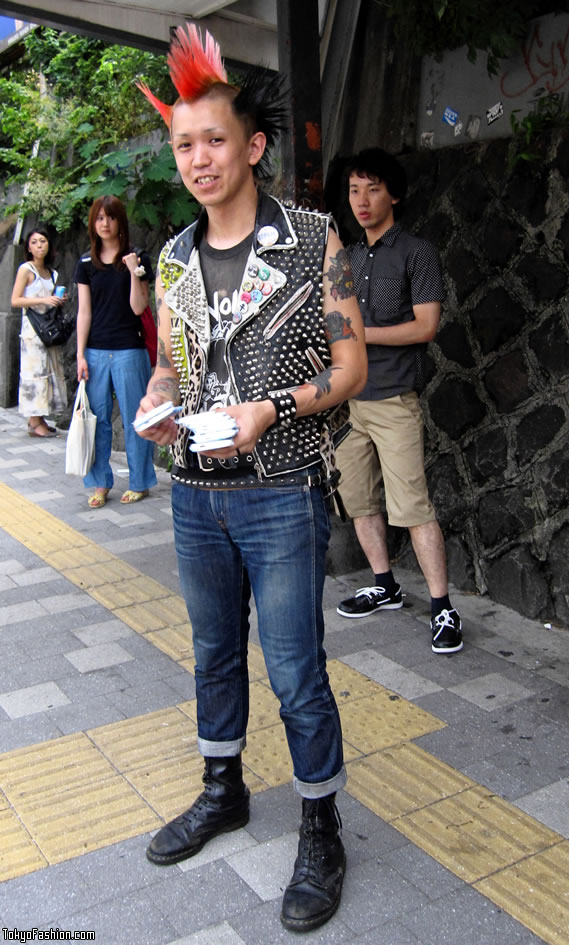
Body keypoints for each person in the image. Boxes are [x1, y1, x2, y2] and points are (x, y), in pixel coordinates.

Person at [135, 25, 367, 933]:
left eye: (215, 140)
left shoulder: (312, 238)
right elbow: (171, 366)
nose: (199, 158)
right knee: (211, 655)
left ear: (254, 146)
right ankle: (222, 788)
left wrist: (271, 408)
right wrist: (157, 403)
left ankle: (321, 822)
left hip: (281, 492)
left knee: (299, 671)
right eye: (184, 143)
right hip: (195, 495)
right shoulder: (173, 258)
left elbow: (348, 371)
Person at [335, 147, 463, 655]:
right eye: (353, 190)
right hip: (347, 401)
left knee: (412, 505)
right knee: (360, 501)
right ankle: (384, 583)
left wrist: (361, 335)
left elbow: (427, 326)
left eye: (372, 189)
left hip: (393, 399)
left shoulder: (417, 252)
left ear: (395, 194)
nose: (361, 201)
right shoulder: (344, 255)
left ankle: (442, 606)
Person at [74, 196, 157, 508]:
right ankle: (99, 482)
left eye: (110, 218)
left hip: (129, 351)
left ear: (121, 221)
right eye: (99, 218)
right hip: (95, 352)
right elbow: (84, 312)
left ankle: (140, 482)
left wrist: (135, 272)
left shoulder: (139, 257)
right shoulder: (85, 263)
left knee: (136, 419)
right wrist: (81, 354)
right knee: (96, 420)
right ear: (93, 224)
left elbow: (139, 306)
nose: (104, 223)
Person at [11, 227, 68, 437]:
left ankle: (39, 418)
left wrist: (58, 301)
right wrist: (44, 300)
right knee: (34, 374)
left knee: (48, 373)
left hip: (49, 328)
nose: (39, 246)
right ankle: (34, 422)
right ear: (28, 247)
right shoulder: (26, 269)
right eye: (34, 242)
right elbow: (15, 300)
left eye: (42, 241)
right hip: (33, 329)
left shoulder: (52, 273)